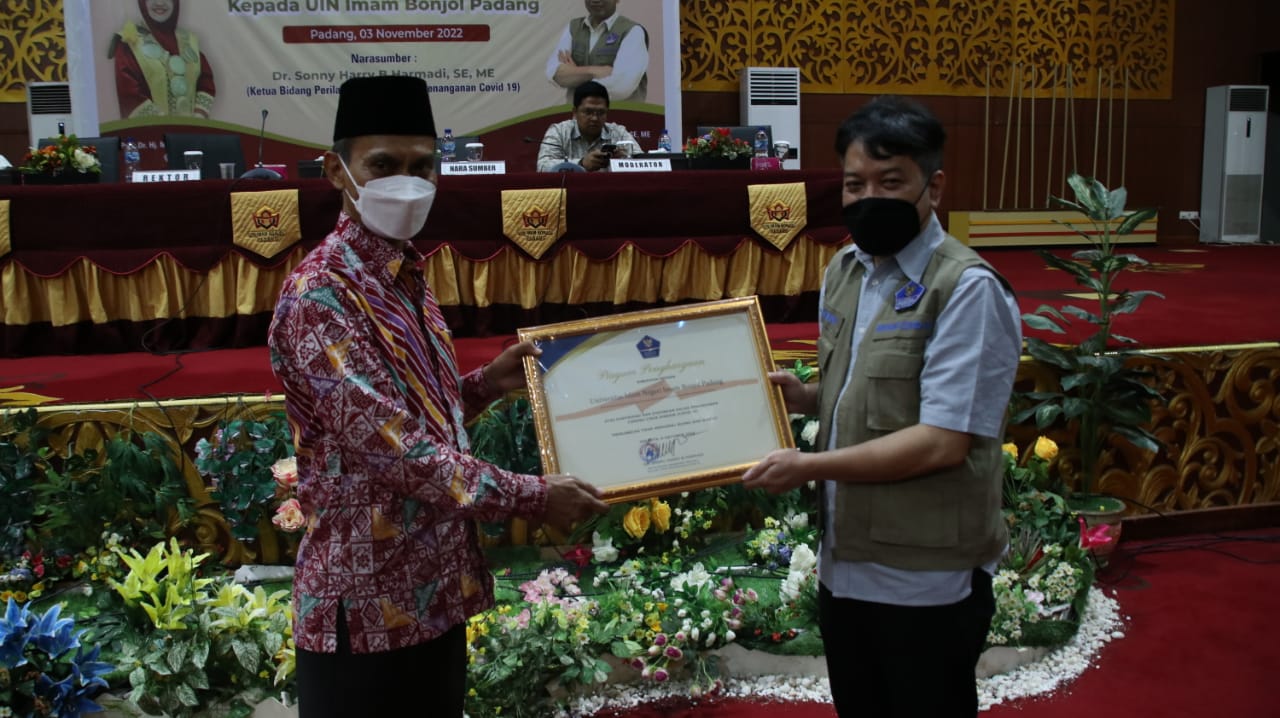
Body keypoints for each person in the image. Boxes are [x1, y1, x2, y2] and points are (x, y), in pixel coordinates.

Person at [268, 75, 609, 717]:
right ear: (336, 171)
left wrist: (483, 386)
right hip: (364, 606)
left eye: (423, 166)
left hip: (433, 591)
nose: (407, 182)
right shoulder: (321, 296)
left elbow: (403, 417)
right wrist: (535, 497)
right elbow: (392, 450)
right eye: (384, 165)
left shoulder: (404, 273)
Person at [742, 95, 1022, 717]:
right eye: (854, 184)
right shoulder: (846, 268)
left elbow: (942, 440)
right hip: (844, 563)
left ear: (934, 185)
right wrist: (806, 395)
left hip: (923, 578)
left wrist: (806, 466)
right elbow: (867, 391)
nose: (869, 197)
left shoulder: (967, 289)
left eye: (890, 181)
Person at [111, 0, 216, 118]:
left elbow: (205, 82)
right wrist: (165, 128)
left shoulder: (189, 41)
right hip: (149, 132)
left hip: (190, 131)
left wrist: (198, 116)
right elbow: (129, 96)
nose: (160, 3)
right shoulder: (130, 42)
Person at [546, 0, 649, 103]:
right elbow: (554, 73)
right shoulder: (573, 27)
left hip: (620, 116)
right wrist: (593, 71)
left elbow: (622, 86)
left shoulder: (632, 31)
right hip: (577, 117)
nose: (596, 1)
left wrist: (576, 74)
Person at [536, 80, 638, 172]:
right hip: (570, 191)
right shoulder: (559, 132)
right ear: (575, 112)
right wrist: (581, 163)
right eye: (588, 112)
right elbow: (542, 167)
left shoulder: (618, 133)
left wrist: (624, 161)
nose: (594, 118)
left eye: (600, 112)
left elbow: (644, 163)